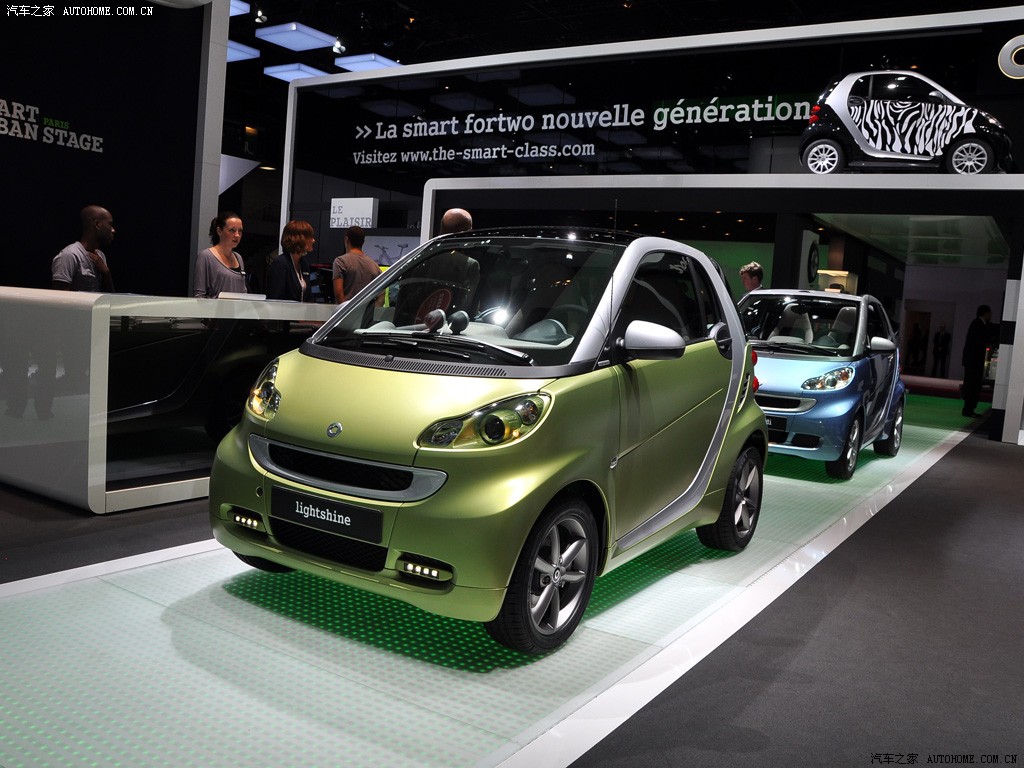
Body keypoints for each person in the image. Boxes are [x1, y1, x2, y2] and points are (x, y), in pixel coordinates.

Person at [52, 205, 115, 292]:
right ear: (97, 224)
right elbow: (59, 297)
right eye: (110, 224)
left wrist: (106, 273)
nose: (113, 230)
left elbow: (110, 297)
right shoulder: (69, 255)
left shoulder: (101, 256)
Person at [194, 211, 246, 298]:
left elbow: (243, 291)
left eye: (240, 231)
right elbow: (199, 295)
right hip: (214, 307)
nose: (237, 235)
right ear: (219, 231)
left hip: (237, 307)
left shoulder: (238, 258)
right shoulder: (206, 256)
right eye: (232, 230)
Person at [267, 220, 315, 302]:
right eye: (310, 237)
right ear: (299, 239)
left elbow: (308, 297)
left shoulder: (303, 263)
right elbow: (275, 298)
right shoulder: (280, 264)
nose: (313, 240)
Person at [332, 226, 381, 303]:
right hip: (366, 310)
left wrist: (344, 309)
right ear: (363, 242)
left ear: (346, 240)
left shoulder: (340, 262)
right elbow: (381, 295)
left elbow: (338, 294)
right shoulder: (374, 265)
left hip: (346, 309)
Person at [961, 304, 991, 417]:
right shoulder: (979, 325)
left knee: (971, 385)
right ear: (986, 313)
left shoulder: (976, 323)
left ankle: (969, 409)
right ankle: (969, 409)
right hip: (974, 362)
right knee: (973, 385)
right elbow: (978, 343)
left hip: (971, 361)